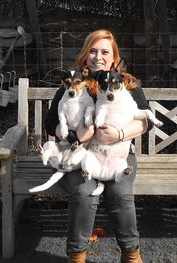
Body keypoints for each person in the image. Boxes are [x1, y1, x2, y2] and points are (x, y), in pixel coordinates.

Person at [44, 29, 152, 263]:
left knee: (120, 192)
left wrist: (119, 134)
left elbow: (145, 122)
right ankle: (77, 256)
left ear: (114, 57)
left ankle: (131, 254)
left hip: (116, 155)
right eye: (92, 51)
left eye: (105, 52)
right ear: (85, 54)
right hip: (77, 156)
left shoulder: (127, 83)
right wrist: (75, 135)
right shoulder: (73, 82)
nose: (98, 56)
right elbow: (50, 121)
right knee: (84, 192)